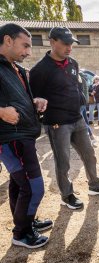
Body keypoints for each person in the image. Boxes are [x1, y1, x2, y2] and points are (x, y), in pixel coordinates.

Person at [29, 26, 99, 210]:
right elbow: (33, 98)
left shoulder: (73, 63)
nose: (69, 48)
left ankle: (94, 185)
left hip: (78, 119)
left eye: (71, 44)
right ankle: (67, 195)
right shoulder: (40, 69)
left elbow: (76, 87)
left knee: (89, 154)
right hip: (58, 123)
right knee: (63, 162)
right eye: (65, 44)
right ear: (52, 42)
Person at [0, 23, 52, 248]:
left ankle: (25, 224)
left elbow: (14, 98)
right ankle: (22, 233)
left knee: (18, 184)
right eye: (25, 46)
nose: (29, 52)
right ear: (8, 40)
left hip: (23, 134)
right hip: (10, 137)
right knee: (33, 186)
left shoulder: (15, 68)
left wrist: (34, 102)